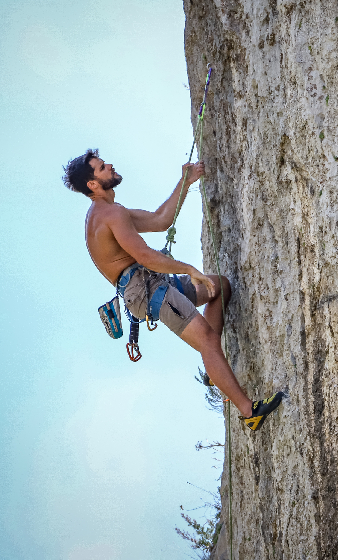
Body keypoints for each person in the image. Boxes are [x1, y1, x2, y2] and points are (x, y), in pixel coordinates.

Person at [62, 148, 282, 431]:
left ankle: (215, 370)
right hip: (145, 289)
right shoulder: (110, 214)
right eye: (102, 167)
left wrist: (185, 181)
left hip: (150, 283)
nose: (110, 166)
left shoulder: (108, 213)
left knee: (219, 288)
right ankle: (250, 411)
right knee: (207, 342)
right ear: (93, 184)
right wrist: (189, 269)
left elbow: (159, 219)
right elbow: (144, 256)